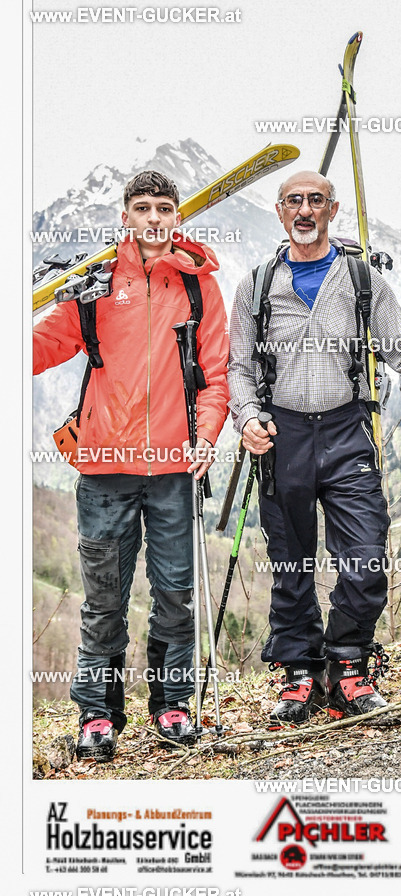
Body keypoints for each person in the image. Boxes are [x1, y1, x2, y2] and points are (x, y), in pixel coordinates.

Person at [228, 170, 401, 724]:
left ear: (332, 210)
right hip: (281, 436)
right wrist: (247, 417)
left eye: (316, 200)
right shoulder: (257, 286)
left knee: (365, 558)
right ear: (280, 210)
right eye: (294, 201)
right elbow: (239, 367)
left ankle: (348, 664)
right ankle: (300, 673)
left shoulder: (362, 281)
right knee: (291, 564)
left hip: (346, 431)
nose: (305, 210)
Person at [33, 171, 229, 759]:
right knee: (104, 600)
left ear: (177, 216)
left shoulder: (197, 286)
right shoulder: (93, 286)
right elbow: (38, 350)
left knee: (175, 596)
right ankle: (97, 715)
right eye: (142, 208)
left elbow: (215, 378)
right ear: (125, 217)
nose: (153, 217)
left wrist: (206, 436)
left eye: (163, 207)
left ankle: (172, 705)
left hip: (174, 469)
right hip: (103, 470)